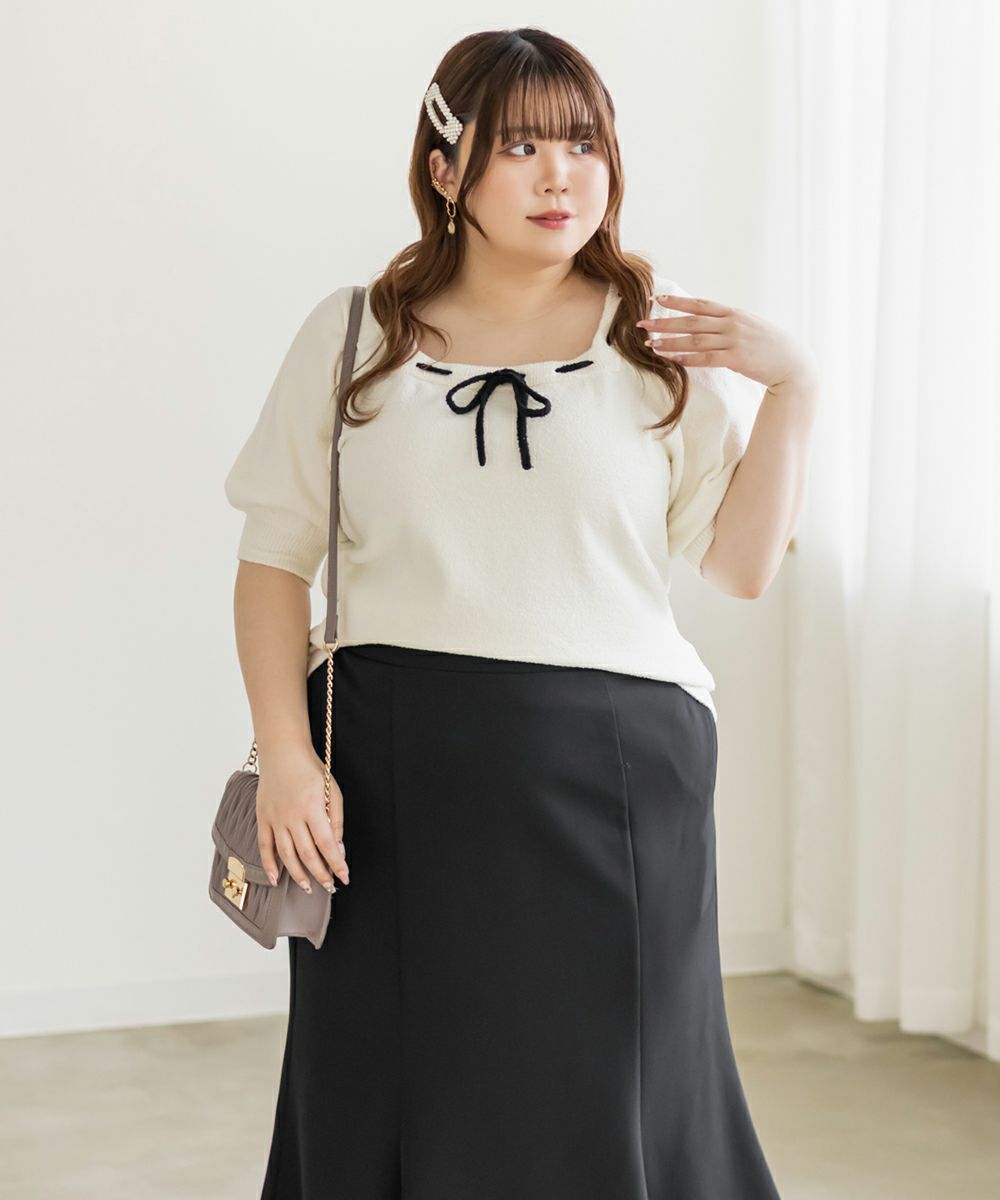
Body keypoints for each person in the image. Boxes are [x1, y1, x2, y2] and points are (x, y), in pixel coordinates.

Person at [224, 25, 812, 1200]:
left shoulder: (655, 340)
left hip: (620, 773)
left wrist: (793, 387)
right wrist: (286, 754)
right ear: (446, 169)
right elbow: (273, 561)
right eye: (522, 147)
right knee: (387, 1081)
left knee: (614, 1087)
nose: (560, 177)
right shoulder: (353, 335)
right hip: (387, 771)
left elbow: (741, 569)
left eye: (584, 145)